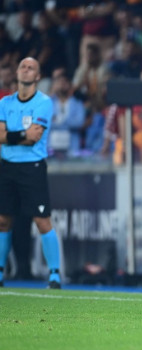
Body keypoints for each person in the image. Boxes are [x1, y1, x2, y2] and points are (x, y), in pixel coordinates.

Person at [0, 57, 62, 288]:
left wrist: (11, 136)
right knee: (3, 220)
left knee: (41, 220)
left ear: (37, 77)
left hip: (32, 167)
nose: (26, 70)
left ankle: (55, 274)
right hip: (7, 167)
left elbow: (34, 137)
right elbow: (0, 136)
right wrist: (21, 134)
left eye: (31, 68)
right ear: (17, 72)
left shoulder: (43, 102)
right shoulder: (5, 103)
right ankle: (0, 272)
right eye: (23, 67)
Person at [50, 71, 86, 157]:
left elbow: (79, 123)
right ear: (55, 85)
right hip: (52, 146)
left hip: (71, 145)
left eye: (64, 82)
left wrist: (59, 121)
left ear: (69, 85)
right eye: (59, 82)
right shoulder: (48, 103)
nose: (62, 85)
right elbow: (45, 122)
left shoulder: (78, 104)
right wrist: (67, 123)